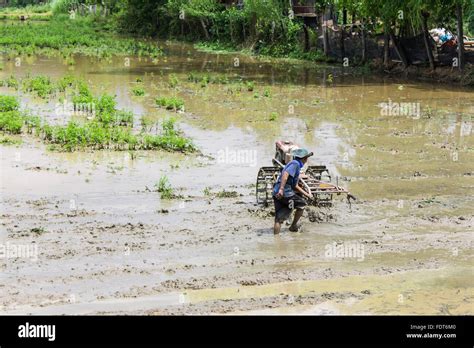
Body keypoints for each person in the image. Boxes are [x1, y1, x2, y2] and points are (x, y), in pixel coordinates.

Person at [273, 148, 314, 234]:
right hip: (285, 193)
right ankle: (293, 226)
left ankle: (276, 240)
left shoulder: (292, 164)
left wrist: (307, 194)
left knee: (278, 219)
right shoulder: (295, 164)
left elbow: (295, 186)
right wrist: (281, 189)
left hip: (276, 193)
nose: (307, 160)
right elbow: (285, 174)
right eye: (306, 158)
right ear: (304, 158)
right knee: (302, 204)